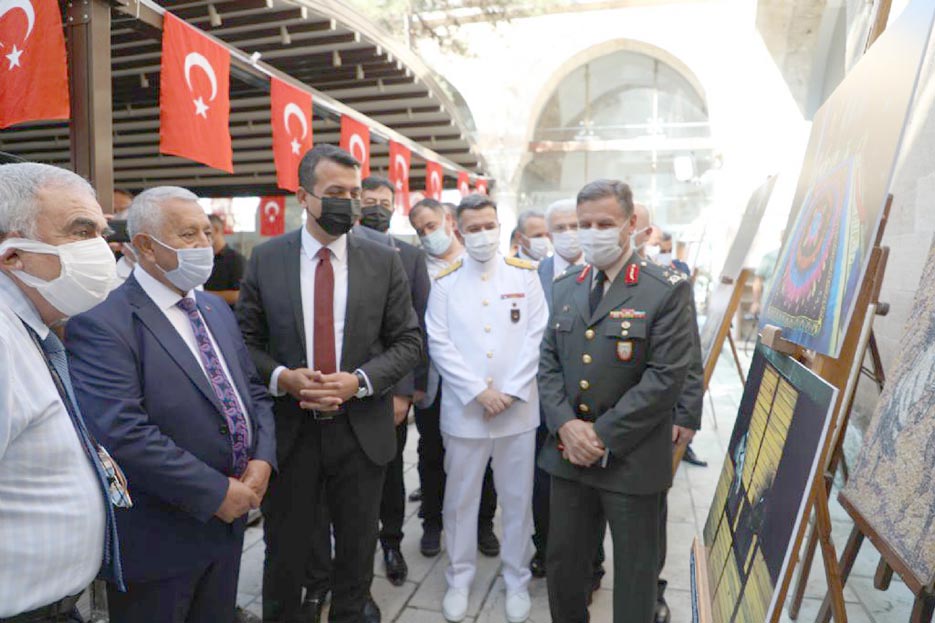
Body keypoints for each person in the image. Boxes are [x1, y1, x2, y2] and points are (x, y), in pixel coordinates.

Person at [65, 186, 277, 623]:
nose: (203, 245)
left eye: (206, 231)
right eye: (187, 235)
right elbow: (121, 430)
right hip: (162, 535)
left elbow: (251, 392)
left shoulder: (215, 310)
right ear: (144, 246)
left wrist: (263, 459)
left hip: (229, 526)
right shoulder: (103, 322)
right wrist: (216, 492)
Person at [237, 144, 423, 623]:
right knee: (286, 553)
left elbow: (408, 341)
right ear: (303, 195)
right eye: (335, 192)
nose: (349, 201)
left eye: (354, 192)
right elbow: (245, 341)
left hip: (360, 432)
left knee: (357, 555)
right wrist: (283, 378)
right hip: (290, 432)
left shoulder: (383, 260)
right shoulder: (267, 258)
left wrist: (359, 382)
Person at [538, 179, 695, 623]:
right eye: (584, 223)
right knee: (564, 567)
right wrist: (566, 426)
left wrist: (602, 436)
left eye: (604, 223)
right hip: (568, 455)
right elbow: (548, 363)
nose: (592, 232)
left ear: (630, 225)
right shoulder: (567, 284)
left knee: (635, 575)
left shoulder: (664, 288)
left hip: (631, 458)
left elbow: (666, 377)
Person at [0, 163, 124, 621]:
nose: (101, 248)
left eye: (101, 231)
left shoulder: (30, 330)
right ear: (12, 255)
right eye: (81, 230)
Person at [426, 193, 548, 623]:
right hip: (466, 410)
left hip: (517, 411)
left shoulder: (526, 275)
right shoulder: (444, 281)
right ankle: (459, 577)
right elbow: (439, 342)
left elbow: (537, 335)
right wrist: (479, 391)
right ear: (458, 231)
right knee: (460, 499)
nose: (482, 235)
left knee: (517, 499)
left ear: (500, 226)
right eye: (473, 228)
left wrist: (511, 390)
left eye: (489, 226)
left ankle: (516, 579)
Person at [408, 198, 500, 562]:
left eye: (432, 225)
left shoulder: (485, 263)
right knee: (432, 454)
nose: (428, 235)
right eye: (420, 231)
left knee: (486, 456)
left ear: (450, 221)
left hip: (483, 382)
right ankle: (433, 523)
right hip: (436, 382)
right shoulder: (417, 268)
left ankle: (483, 524)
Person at [632, 204, 705, 623]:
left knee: (648, 514)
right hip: (592, 423)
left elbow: (689, 356)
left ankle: (650, 589)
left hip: (653, 423)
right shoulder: (581, 282)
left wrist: (687, 414)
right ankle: (593, 571)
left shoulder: (670, 284)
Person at [530, 198, 585, 577]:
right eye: (560, 228)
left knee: (587, 487)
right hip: (543, 399)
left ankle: (588, 559)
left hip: (592, 399)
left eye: (574, 226)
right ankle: (544, 548)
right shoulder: (531, 274)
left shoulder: (603, 270)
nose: (568, 234)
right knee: (543, 483)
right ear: (549, 234)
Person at [204, 214, 246, 308]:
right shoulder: (205, 259)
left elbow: (239, 295)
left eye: (206, 232)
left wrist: (204, 295)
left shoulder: (236, 259)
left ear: (216, 230)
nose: (202, 236)